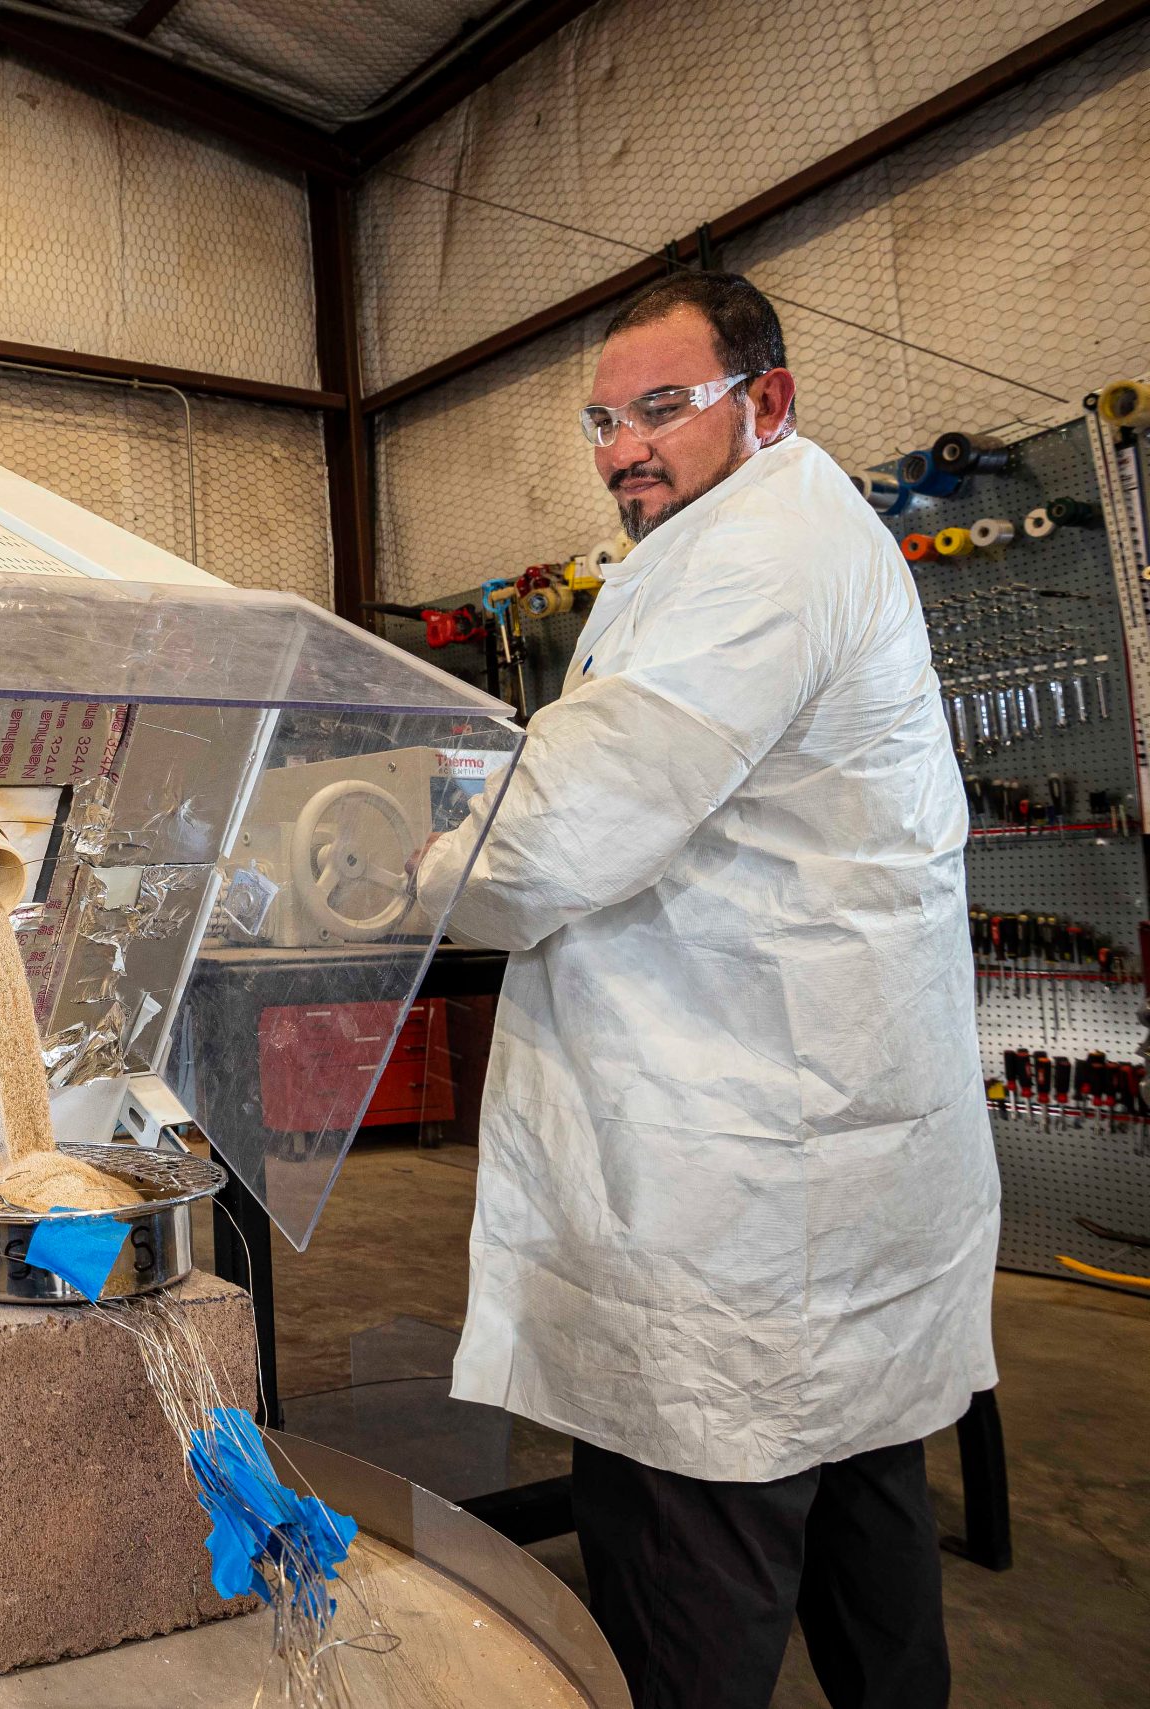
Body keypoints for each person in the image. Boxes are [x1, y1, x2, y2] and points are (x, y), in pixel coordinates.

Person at [415, 270, 996, 1709]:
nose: (622, 445)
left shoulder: (763, 553)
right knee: (869, 1550)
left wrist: (366, 864)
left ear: (769, 401)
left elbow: (555, 836)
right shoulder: (741, 540)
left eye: (663, 407)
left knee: (692, 1605)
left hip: (732, 1205)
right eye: (605, 419)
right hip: (824, 1192)